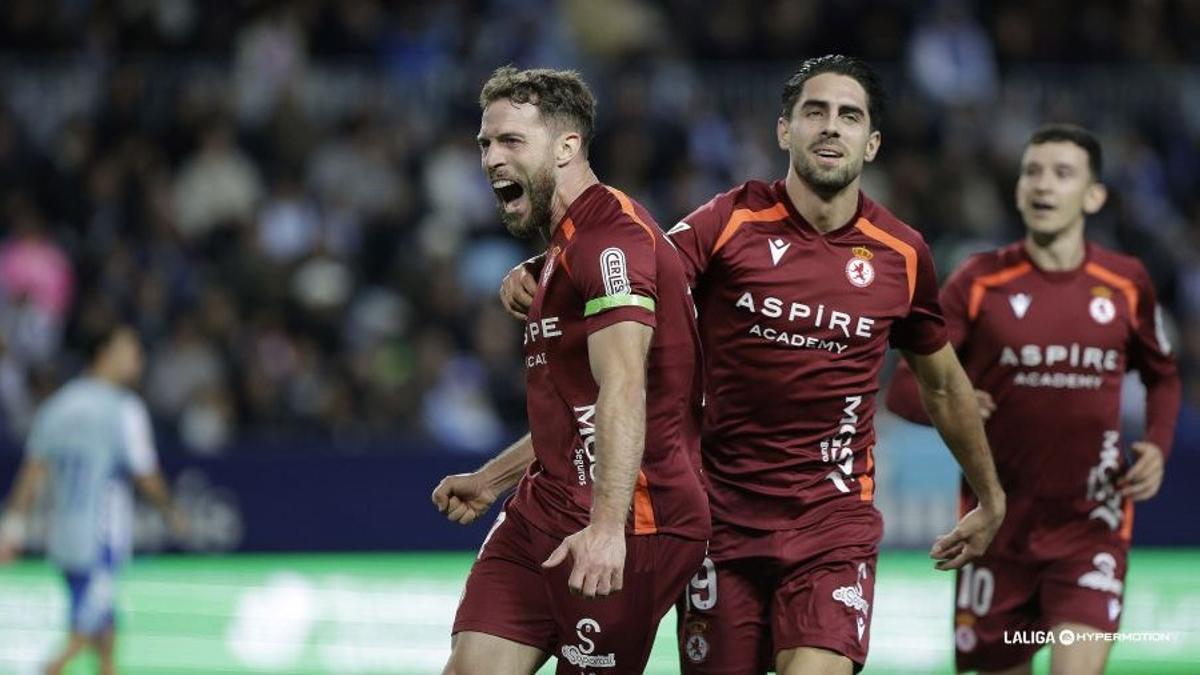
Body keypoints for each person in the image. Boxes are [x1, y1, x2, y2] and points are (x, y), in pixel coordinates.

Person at [501, 54, 1007, 675]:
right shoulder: (728, 223)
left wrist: (989, 495)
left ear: (871, 143)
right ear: (783, 131)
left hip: (833, 520)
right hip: (721, 523)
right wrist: (546, 268)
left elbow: (945, 386)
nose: (830, 126)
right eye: (814, 112)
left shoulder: (902, 254)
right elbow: (631, 274)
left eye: (849, 116)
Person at [431, 66, 710, 675]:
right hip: (543, 511)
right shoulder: (564, 250)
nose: (490, 160)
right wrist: (492, 479)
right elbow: (580, 417)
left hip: (635, 519)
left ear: (567, 147)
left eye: (511, 142)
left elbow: (624, 389)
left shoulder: (612, 243)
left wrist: (608, 527)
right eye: (485, 143)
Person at [886, 124, 1180, 675]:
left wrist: (1159, 446)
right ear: (1019, 190)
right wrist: (957, 400)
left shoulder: (1125, 284)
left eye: (1062, 173)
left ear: (1093, 196)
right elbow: (905, 387)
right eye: (1033, 172)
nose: (1043, 184)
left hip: (1091, 520)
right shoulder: (977, 281)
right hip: (997, 526)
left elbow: (1163, 376)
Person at [0, 323, 185, 675]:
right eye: (130, 351)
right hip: (101, 538)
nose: (138, 361)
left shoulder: (58, 405)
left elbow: (32, 472)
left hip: (63, 537)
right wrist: (171, 509)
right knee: (83, 630)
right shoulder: (124, 409)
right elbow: (144, 472)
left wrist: (12, 528)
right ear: (105, 353)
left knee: (104, 625)